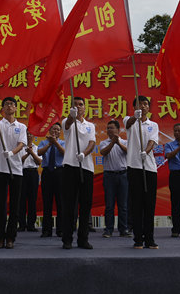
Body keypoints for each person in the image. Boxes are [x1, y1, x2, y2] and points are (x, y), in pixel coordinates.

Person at [0, 97, 27, 249]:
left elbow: (22, 144)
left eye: (12, 104)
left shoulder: (21, 126)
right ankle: (0, 238)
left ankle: (11, 237)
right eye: (6, 104)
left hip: (16, 169)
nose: (9, 106)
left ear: (16, 108)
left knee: (14, 205)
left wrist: (11, 153)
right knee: (0, 206)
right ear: (3, 109)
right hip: (0, 168)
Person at [61, 97, 96, 250]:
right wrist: (71, 116)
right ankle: (67, 239)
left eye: (81, 105)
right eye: (75, 105)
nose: (78, 107)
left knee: (85, 205)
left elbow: (92, 143)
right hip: (70, 165)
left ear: (85, 108)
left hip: (86, 167)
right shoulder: (66, 121)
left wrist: (84, 153)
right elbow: (67, 124)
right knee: (69, 205)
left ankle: (83, 239)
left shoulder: (90, 126)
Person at [124, 96, 159, 249]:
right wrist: (135, 117)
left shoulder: (153, 124)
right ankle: (138, 239)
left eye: (145, 104)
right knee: (136, 204)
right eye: (139, 104)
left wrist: (146, 151)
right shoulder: (129, 121)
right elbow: (129, 123)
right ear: (134, 107)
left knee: (149, 205)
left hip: (149, 167)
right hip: (134, 166)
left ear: (149, 108)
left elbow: (152, 141)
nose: (143, 106)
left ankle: (149, 238)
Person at [99, 120, 129, 238]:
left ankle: (123, 229)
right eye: (108, 128)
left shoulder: (125, 142)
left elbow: (129, 152)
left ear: (118, 130)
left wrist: (118, 143)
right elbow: (103, 152)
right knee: (109, 204)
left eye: (111, 128)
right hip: (109, 176)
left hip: (123, 175)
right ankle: (108, 230)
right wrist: (112, 142)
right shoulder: (103, 142)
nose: (109, 130)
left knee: (123, 205)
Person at [38, 122, 64, 238]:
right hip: (47, 173)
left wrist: (56, 143)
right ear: (49, 131)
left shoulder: (63, 142)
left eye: (58, 130)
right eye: (53, 129)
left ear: (60, 132)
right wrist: (50, 144)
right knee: (47, 202)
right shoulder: (43, 142)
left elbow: (65, 153)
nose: (55, 131)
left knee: (61, 203)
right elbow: (39, 153)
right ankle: (46, 230)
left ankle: (61, 230)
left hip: (60, 173)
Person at [18, 130, 41, 232]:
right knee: (21, 199)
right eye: (27, 133)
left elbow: (39, 161)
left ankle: (31, 224)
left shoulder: (36, 147)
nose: (29, 135)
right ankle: (22, 224)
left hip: (33, 173)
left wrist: (31, 152)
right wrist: (27, 154)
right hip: (22, 173)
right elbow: (18, 161)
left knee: (32, 199)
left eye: (31, 134)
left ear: (33, 136)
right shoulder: (20, 147)